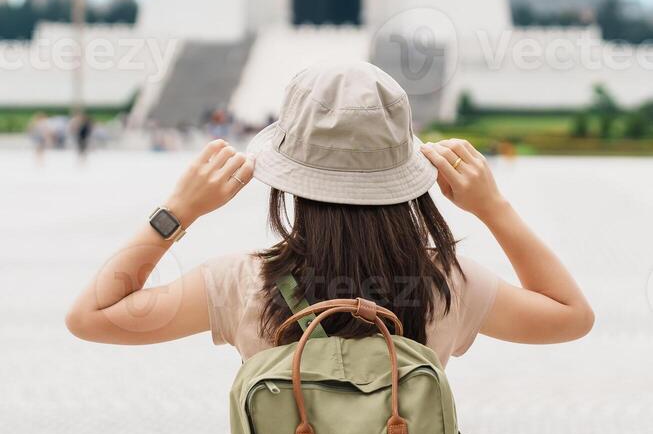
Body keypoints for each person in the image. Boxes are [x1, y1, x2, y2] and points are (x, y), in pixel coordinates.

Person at [66, 62, 594, 365]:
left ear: (289, 176)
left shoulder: (242, 282)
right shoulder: (444, 284)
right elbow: (571, 316)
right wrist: (493, 208)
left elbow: (91, 317)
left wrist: (177, 211)